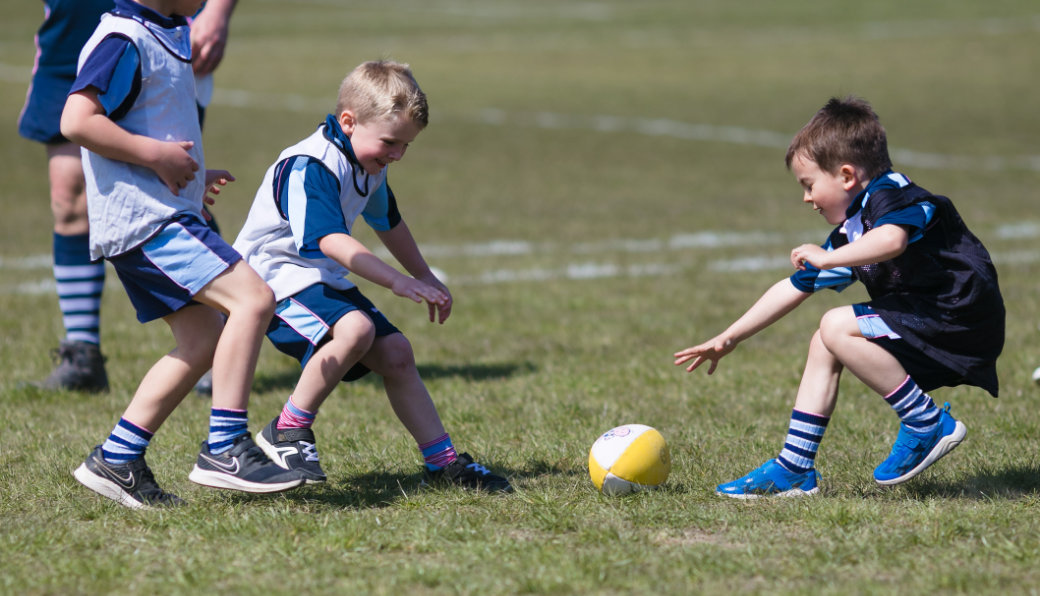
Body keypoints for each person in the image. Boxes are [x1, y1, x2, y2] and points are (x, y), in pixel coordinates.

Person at [674, 96, 1005, 499]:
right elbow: (792, 288)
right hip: (929, 320)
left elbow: (892, 239)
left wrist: (829, 255)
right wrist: (729, 337)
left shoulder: (893, 194)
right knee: (824, 341)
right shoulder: (852, 231)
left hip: (958, 317)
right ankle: (794, 467)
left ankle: (925, 422)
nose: (806, 198)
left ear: (847, 175)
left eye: (809, 185)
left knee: (836, 324)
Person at [62, 0, 302, 509]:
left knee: (203, 339)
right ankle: (225, 447)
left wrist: (190, 172)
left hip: (163, 212)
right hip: (147, 222)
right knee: (254, 299)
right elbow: (77, 120)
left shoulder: (164, 30)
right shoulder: (123, 37)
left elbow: (153, 117)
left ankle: (118, 457)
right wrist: (156, 157)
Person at [233, 60, 513, 493]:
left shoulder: (367, 164)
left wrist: (424, 274)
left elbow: (389, 222)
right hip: (271, 282)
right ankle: (287, 430)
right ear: (349, 121)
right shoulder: (312, 165)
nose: (397, 155)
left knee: (397, 352)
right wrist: (398, 282)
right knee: (356, 329)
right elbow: (331, 241)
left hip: (314, 279)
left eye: (406, 146)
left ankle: (443, 464)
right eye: (390, 142)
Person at [17, 0, 236, 393]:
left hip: (157, 23)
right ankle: (82, 355)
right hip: (71, 26)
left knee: (176, 187)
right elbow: (76, 123)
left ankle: (214, 341)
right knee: (68, 195)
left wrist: (217, 10)